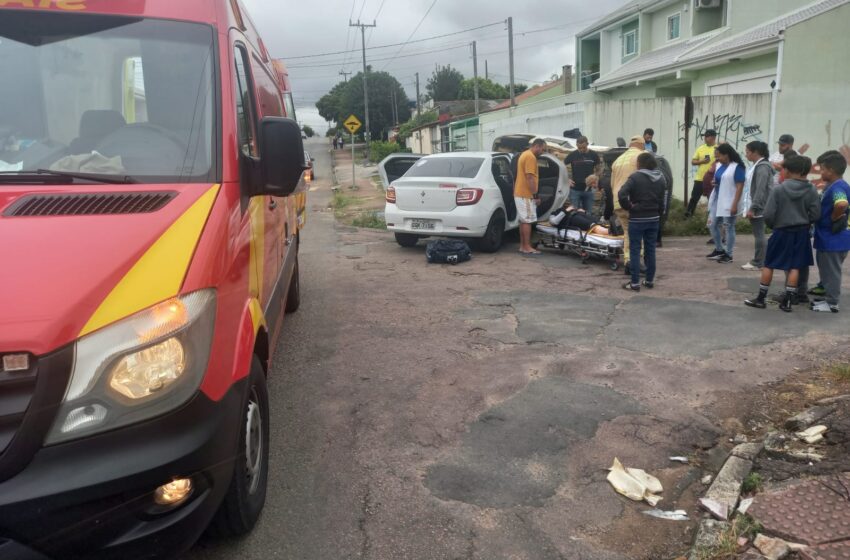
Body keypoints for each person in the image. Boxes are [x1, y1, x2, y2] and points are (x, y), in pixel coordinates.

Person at [744, 156, 820, 312]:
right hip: (801, 232)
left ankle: (760, 298)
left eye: (783, 168)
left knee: (769, 264)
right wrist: (806, 222)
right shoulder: (811, 189)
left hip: (781, 231)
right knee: (795, 266)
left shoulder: (779, 189)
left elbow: (769, 213)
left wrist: (774, 226)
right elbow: (816, 214)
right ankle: (788, 301)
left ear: (789, 170)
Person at [618, 152, 666, 291]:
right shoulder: (661, 178)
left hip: (637, 218)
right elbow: (662, 201)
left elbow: (622, 194)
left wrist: (629, 206)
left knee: (634, 250)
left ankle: (634, 283)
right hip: (654, 219)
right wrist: (659, 213)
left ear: (640, 164)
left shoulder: (635, 177)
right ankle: (649, 281)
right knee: (650, 250)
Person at [810, 150, 850, 313]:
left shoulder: (838, 187)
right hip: (830, 237)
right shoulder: (834, 185)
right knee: (827, 269)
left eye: (823, 169)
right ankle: (828, 297)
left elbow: (841, 204)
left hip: (834, 238)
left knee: (832, 271)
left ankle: (832, 302)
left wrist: (835, 217)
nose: (821, 172)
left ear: (832, 170)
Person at [612, 136, 647, 275]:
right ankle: (637, 261)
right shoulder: (642, 156)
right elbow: (647, 177)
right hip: (634, 201)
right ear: (641, 144)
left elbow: (612, 184)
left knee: (628, 232)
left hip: (618, 201)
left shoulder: (617, 160)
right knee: (640, 230)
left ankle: (628, 261)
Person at [707, 143, 746, 264]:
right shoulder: (720, 165)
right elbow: (720, 179)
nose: (717, 158)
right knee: (712, 224)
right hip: (718, 199)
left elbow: (739, 187)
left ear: (727, 155)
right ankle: (719, 249)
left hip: (729, 200)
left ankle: (729, 254)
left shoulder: (737, 167)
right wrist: (715, 182)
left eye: (719, 156)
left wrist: (734, 204)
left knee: (728, 226)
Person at [741, 141, 775, 271]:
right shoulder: (758, 165)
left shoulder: (762, 167)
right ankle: (761, 259)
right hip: (758, 204)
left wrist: (753, 207)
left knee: (759, 234)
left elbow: (760, 189)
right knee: (759, 233)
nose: (746, 154)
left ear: (756, 152)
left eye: (748, 151)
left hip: (759, 206)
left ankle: (758, 261)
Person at [514, 138, 547, 255]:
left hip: (520, 193)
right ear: (537, 146)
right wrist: (535, 195)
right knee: (527, 221)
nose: (542, 152)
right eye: (542, 149)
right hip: (526, 194)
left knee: (523, 221)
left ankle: (523, 246)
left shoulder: (524, 154)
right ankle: (527, 247)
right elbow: (530, 177)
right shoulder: (530, 157)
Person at [563, 136, 601, 213]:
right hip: (575, 190)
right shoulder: (573, 155)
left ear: (587, 144)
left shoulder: (593, 155)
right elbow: (561, 166)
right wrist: (567, 179)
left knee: (588, 213)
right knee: (574, 214)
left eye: (583, 147)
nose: (581, 150)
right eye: (579, 148)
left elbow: (599, 169)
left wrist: (595, 177)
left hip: (589, 190)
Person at [686, 129, 718, 218]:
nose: (705, 138)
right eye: (705, 136)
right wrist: (702, 161)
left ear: (713, 138)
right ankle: (688, 215)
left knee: (712, 199)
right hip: (700, 178)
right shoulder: (700, 148)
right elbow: (693, 161)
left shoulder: (718, 148)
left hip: (712, 180)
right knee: (694, 198)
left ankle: (712, 218)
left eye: (707, 137)